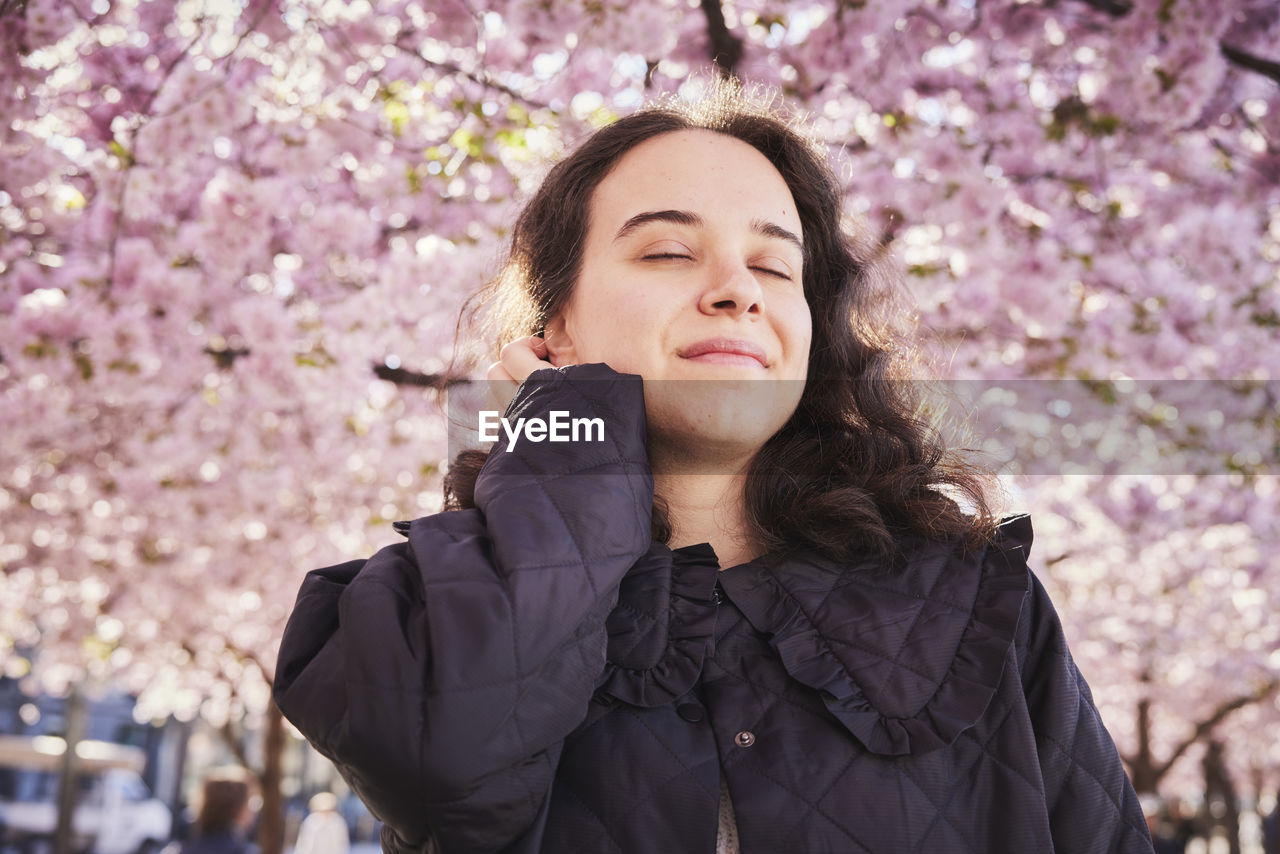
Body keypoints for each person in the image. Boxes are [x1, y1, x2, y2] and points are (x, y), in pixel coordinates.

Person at [273, 79, 1155, 853]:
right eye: (666, 251)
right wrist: (569, 435)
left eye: (776, 266)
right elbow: (446, 757)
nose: (738, 289)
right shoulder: (426, 607)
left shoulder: (969, 601)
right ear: (554, 329)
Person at [175, 770, 258, 854]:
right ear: (236, 808)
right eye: (249, 802)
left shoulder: (184, 845)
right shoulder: (241, 850)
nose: (252, 809)